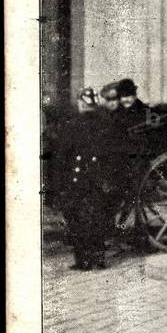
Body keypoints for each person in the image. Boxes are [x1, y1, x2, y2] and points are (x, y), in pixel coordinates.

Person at [53, 86, 129, 270]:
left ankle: (83, 261)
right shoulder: (108, 123)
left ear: (80, 103)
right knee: (98, 217)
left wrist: (58, 185)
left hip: (77, 181)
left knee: (77, 220)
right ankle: (98, 259)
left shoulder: (72, 125)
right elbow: (117, 154)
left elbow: (62, 157)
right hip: (101, 181)